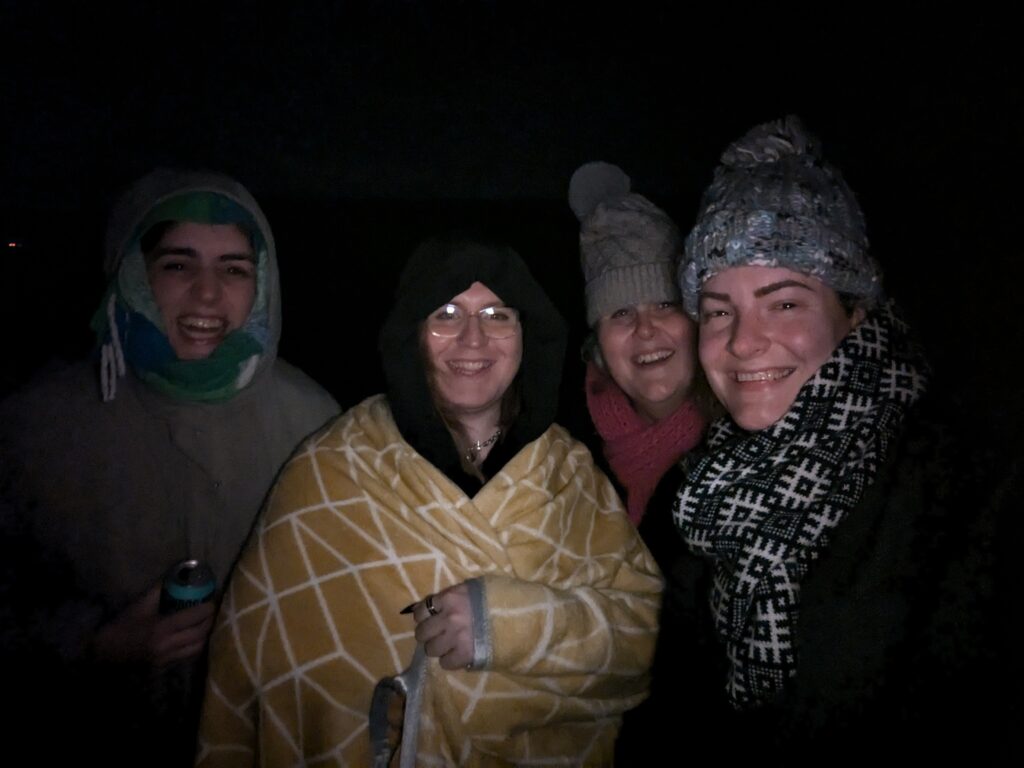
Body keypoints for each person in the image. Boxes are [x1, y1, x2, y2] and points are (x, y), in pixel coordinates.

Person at [195, 235, 662, 766]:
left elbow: (644, 630)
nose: (473, 337)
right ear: (413, 334)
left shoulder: (571, 475)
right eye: (446, 313)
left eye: (496, 314)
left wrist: (508, 623)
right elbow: (251, 667)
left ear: (526, 332)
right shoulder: (331, 470)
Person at [667, 116, 1002, 761]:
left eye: (784, 302)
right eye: (718, 310)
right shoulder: (707, 496)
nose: (741, 340)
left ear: (854, 312)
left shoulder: (959, 494)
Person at [0, 169, 339, 767]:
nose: (208, 295)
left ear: (261, 285)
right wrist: (93, 645)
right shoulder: (36, 425)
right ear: (134, 273)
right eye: (179, 265)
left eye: (234, 269)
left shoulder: (314, 421)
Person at [568, 162, 712, 759]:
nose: (648, 331)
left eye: (664, 303)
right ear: (597, 339)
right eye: (621, 313)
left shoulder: (745, 453)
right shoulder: (566, 445)